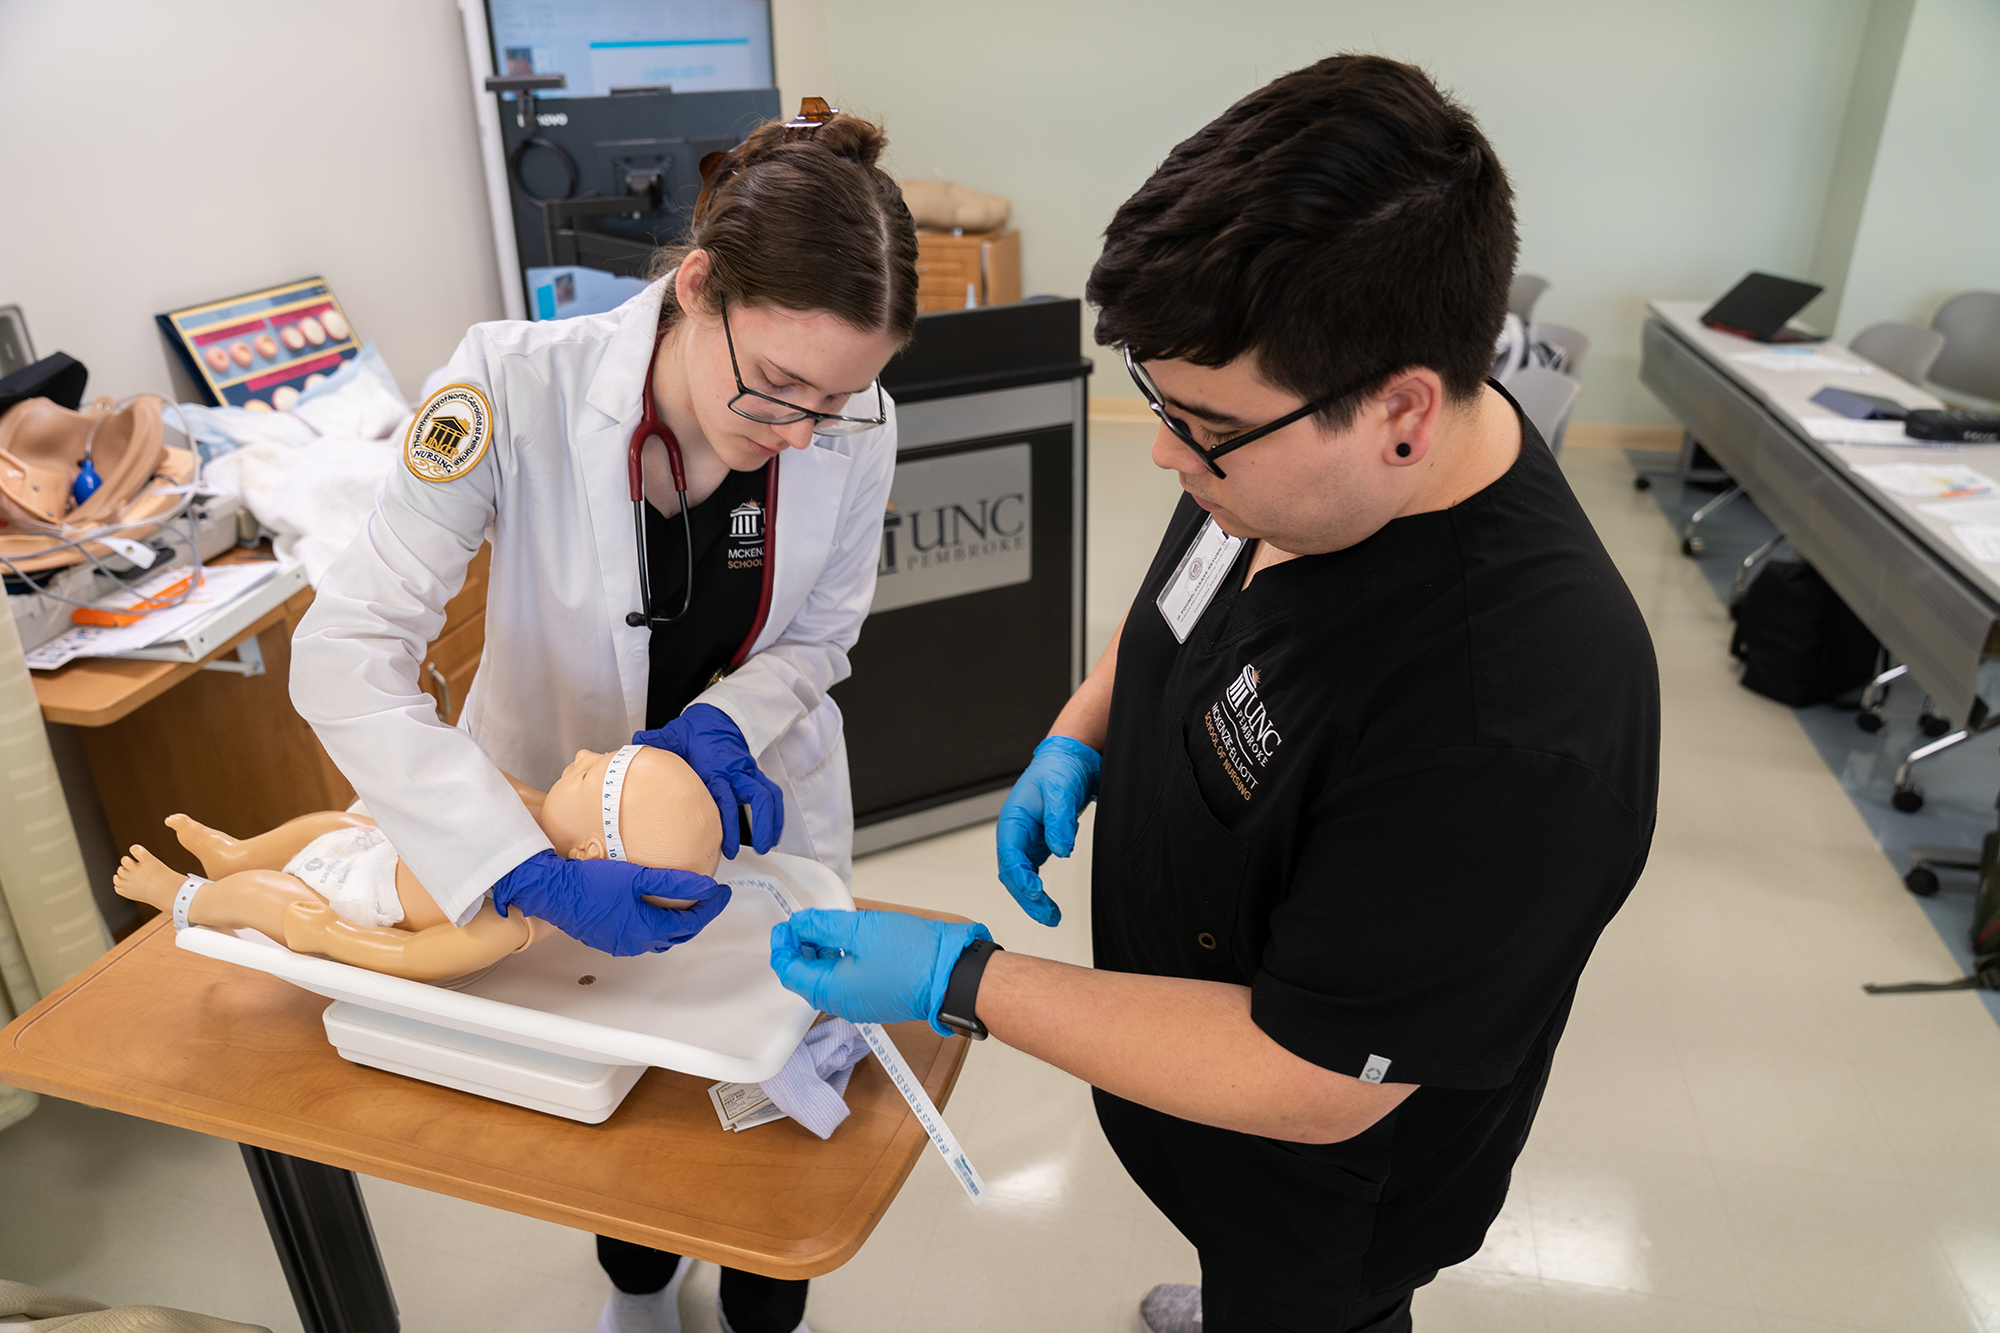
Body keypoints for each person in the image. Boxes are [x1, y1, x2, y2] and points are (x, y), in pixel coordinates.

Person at [768, 56, 1660, 1333]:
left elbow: (1312, 1078)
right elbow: (1170, 611)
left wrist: (960, 979)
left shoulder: (1506, 722)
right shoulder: (1298, 461)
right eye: (1160, 402)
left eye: (1200, 422)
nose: (1166, 453)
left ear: (1402, 414)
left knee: (1299, 1301)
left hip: (1321, 1184)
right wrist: (1077, 733)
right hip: (1188, 1086)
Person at [290, 101, 917, 1333]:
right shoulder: (509, 386)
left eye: (836, 400)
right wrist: (508, 860)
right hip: (555, 819)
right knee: (616, 1097)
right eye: (777, 386)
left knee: (775, 1089)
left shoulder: (860, 423)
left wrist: (724, 723)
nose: (799, 431)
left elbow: (820, 635)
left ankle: (762, 1310)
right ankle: (636, 1293)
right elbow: (346, 650)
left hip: (759, 805)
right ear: (698, 287)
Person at [108, 745, 723, 982]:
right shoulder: (547, 821)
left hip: (365, 905)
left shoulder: (512, 918)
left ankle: (189, 896)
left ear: (588, 853)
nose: (582, 753)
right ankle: (234, 853)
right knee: (326, 826)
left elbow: (421, 957)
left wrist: (332, 935)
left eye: (590, 773)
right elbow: (486, 777)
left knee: (266, 895)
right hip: (381, 851)